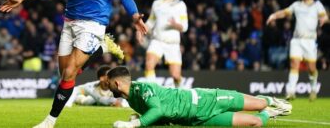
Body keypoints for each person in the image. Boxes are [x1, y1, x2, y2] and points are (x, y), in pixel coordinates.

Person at [0, 0, 148, 127]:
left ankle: (49, 122)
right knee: (66, 75)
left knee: (70, 72)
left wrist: (134, 15)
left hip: (93, 23)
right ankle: (102, 47)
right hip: (70, 22)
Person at [107, 66, 292, 128]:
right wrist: (139, 120)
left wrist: (134, 124)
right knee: (256, 122)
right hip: (196, 119)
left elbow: (157, 110)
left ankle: (268, 100)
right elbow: (161, 117)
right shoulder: (132, 99)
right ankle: (269, 113)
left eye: (108, 84)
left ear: (117, 84)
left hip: (206, 100)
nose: (106, 88)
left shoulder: (143, 89)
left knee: (258, 103)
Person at [266, 0, 328, 101]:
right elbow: (285, 12)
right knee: (294, 64)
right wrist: (273, 15)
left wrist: (324, 19)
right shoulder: (297, 5)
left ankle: (314, 89)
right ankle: (291, 91)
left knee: (311, 68)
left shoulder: (317, 5)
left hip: (310, 41)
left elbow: (324, 16)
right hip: (297, 40)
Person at [137, 0, 188, 87]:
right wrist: (140, 29)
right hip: (157, 40)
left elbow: (185, 27)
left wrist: (176, 25)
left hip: (172, 43)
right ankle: (153, 93)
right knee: (149, 64)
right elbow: (151, 21)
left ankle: (180, 91)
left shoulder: (180, 4)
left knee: (176, 76)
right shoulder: (156, 4)